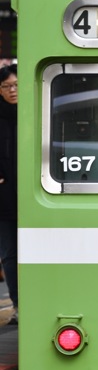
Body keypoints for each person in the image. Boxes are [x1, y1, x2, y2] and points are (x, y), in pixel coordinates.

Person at [0, 64, 17, 324]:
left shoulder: (38, 111)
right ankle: (18, 305)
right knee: (10, 254)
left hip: (33, 196)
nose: (12, 90)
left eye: (16, 85)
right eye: (6, 86)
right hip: (4, 199)